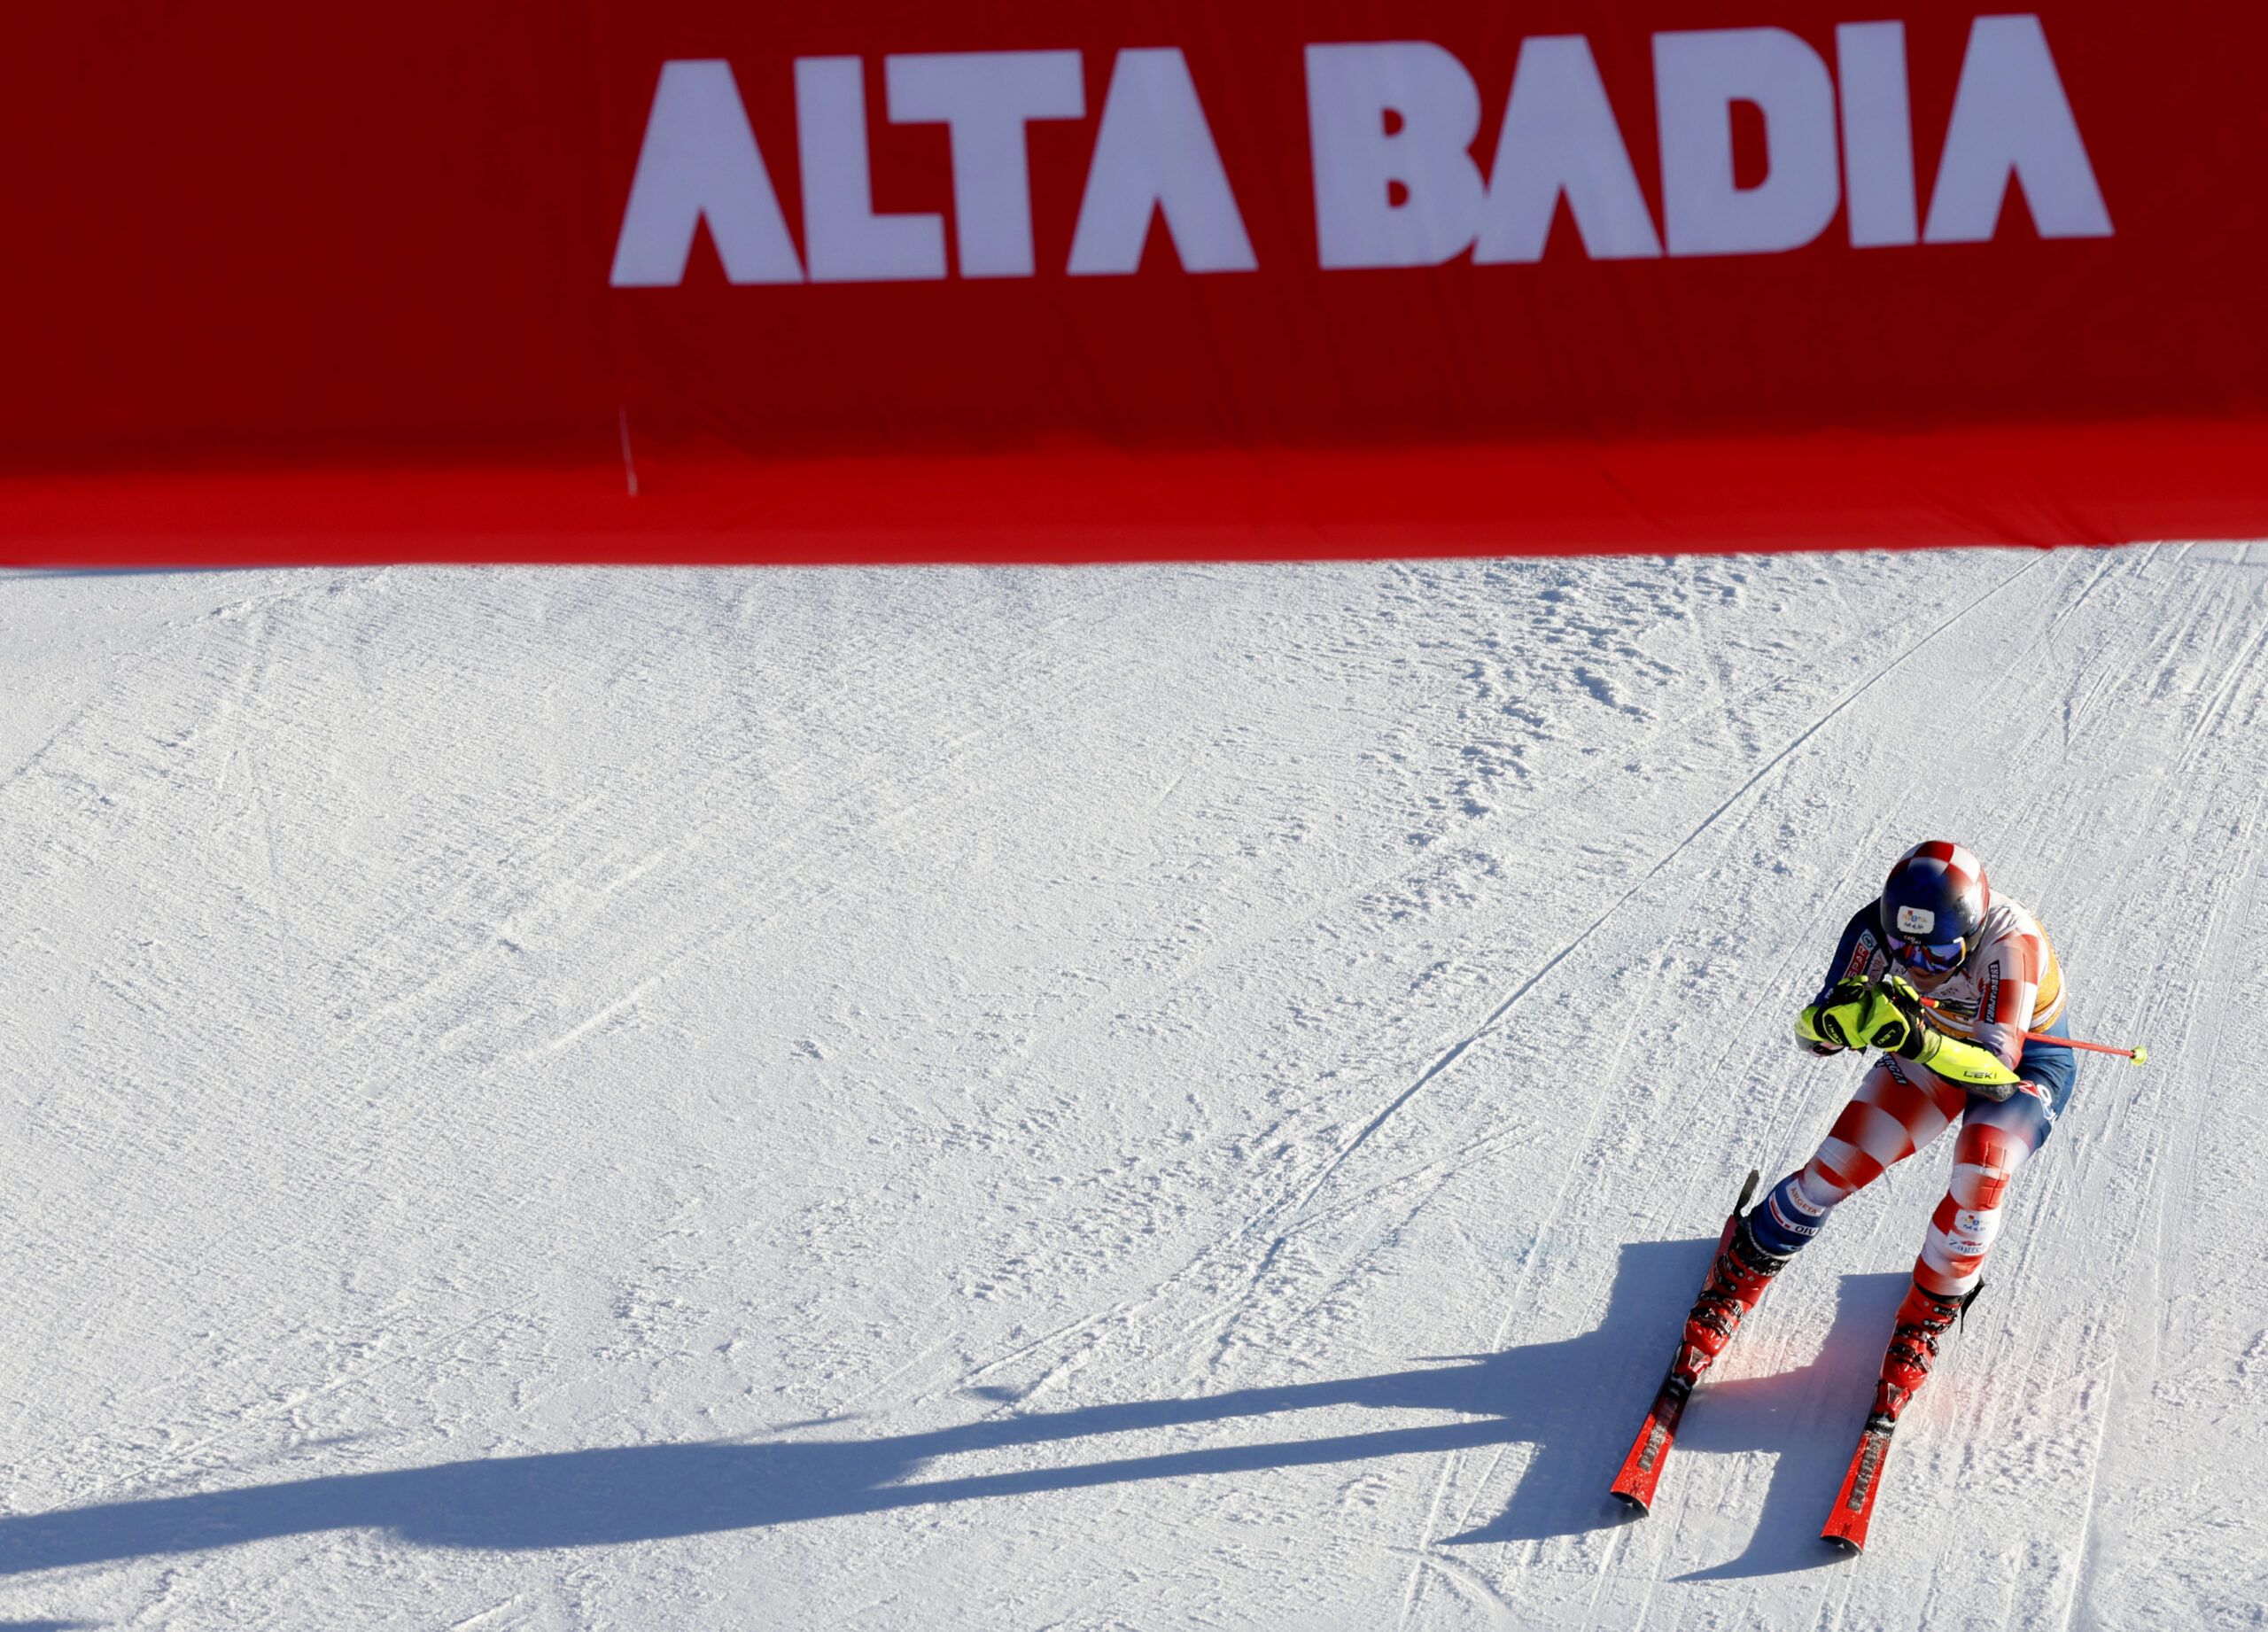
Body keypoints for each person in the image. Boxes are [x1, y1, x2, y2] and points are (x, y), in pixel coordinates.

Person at [1676, 840, 2079, 1429]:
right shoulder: (1874, 929)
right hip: (1930, 1046)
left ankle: (1928, 1314)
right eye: (1903, 948)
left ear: (1968, 932)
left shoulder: (2009, 948)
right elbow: (1812, 1031)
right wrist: (1833, 1027)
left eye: (1940, 951)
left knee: (1983, 1167)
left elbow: (1995, 1077)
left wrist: (1913, 1039)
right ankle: (1749, 1254)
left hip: (2019, 1064)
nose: (1918, 964)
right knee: (1837, 1167)